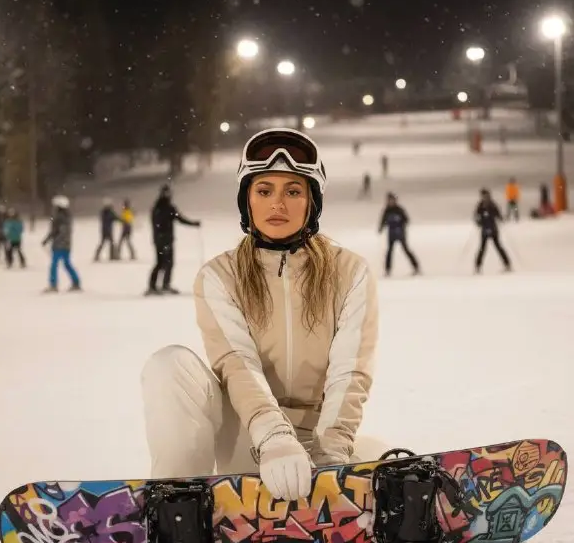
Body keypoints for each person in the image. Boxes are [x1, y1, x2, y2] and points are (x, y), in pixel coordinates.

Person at [141, 128, 387, 501]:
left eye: (293, 191)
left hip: (319, 442)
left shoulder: (350, 272)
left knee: (385, 461)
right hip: (248, 439)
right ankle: (177, 502)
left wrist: (330, 454)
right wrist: (273, 436)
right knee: (169, 365)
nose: (278, 204)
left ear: (311, 203)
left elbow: (350, 371)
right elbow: (236, 362)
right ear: (247, 201)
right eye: (264, 190)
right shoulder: (219, 276)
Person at [146, 184, 201, 295]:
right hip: (163, 240)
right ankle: (155, 286)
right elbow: (157, 224)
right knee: (163, 263)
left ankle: (162, 285)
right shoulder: (160, 208)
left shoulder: (167, 207)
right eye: (166, 193)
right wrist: (160, 236)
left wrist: (193, 224)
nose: (168, 195)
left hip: (164, 240)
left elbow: (180, 219)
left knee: (165, 263)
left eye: (168, 193)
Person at [42, 195, 82, 292]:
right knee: (66, 264)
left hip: (60, 245)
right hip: (66, 245)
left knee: (54, 265)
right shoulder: (66, 217)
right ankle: (76, 282)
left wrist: (50, 240)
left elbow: (57, 231)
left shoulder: (60, 218)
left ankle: (53, 285)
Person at [378, 192, 420, 276]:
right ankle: (387, 270)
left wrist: (401, 225)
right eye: (389, 200)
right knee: (389, 251)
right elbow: (383, 220)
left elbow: (406, 220)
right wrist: (381, 227)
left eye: (391, 200)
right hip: (391, 234)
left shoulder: (399, 210)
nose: (390, 202)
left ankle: (416, 267)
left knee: (406, 250)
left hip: (400, 234)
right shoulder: (387, 210)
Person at [474, 189, 511, 274]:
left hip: (493, 229)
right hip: (484, 230)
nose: (484, 197)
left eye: (486, 196)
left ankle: (507, 264)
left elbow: (498, 215)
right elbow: (477, 216)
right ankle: (478, 266)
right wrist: (478, 222)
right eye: (483, 196)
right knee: (482, 249)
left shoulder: (492, 205)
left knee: (498, 247)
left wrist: (501, 219)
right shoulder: (480, 206)